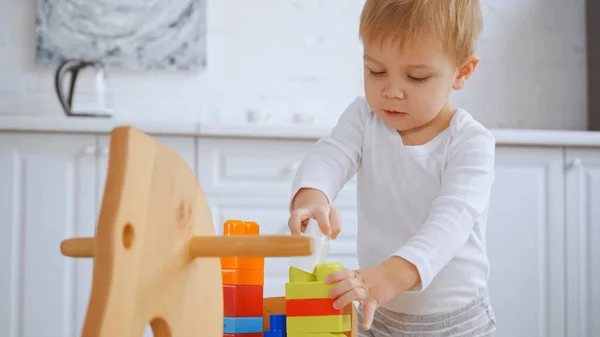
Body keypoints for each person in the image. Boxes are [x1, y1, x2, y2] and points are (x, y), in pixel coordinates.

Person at [287, 0, 497, 336]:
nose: (391, 90)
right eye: (376, 71)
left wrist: (389, 275)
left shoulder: (470, 144)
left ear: (462, 72)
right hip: (378, 311)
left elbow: (451, 222)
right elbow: (331, 154)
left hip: (453, 322)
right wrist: (312, 196)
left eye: (416, 77)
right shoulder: (364, 119)